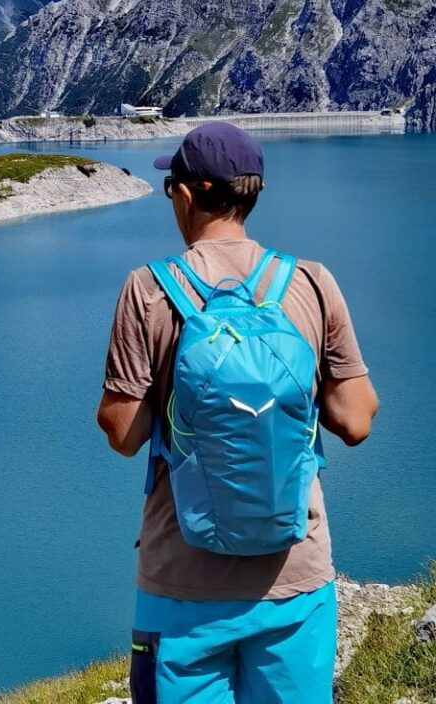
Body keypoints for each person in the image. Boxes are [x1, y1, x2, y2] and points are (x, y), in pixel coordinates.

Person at [97, 121, 379, 704]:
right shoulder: (310, 281)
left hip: (181, 583)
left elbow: (123, 433)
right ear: (253, 194)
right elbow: (356, 419)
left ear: (187, 192)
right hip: (295, 576)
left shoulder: (148, 288)